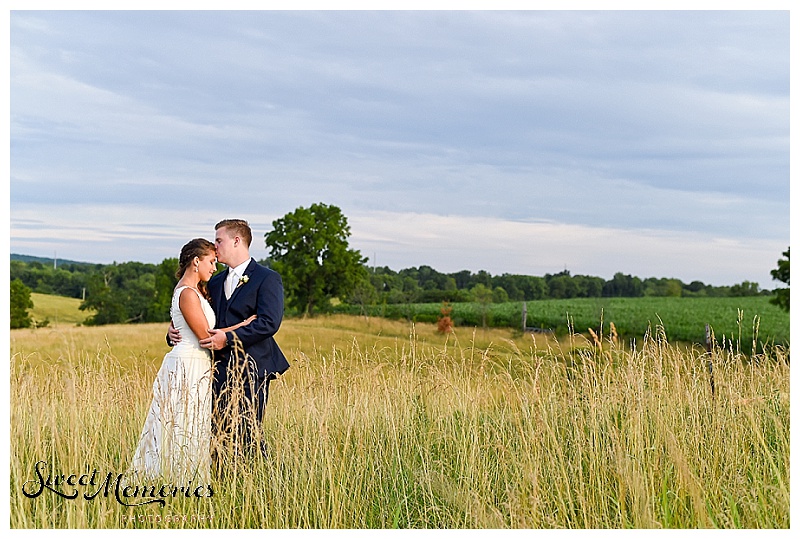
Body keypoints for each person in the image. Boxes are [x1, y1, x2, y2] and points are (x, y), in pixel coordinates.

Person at [129, 238, 253, 483]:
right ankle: (171, 479)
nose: (214, 267)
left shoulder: (195, 290)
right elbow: (205, 336)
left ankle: (184, 478)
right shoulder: (187, 293)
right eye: (211, 261)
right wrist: (246, 324)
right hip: (188, 364)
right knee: (180, 423)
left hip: (197, 363)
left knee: (191, 424)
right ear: (196, 261)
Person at [169, 219, 289, 457]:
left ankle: (256, 482)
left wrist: (229, 338)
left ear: (237, 241)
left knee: (247, 431)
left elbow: (269, 323)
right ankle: (221, 484)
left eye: (219, 240)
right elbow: (195, 315)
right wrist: (173, 333)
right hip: (215, 370)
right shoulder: (213, 282)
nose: (215, 246)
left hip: (252, 367)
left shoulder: (266, 278)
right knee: (216, 433)